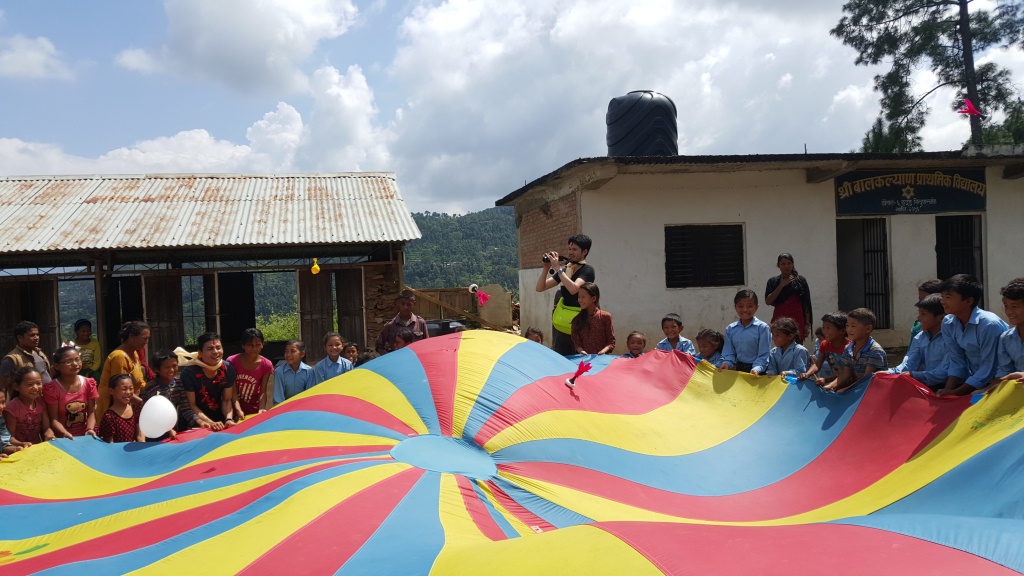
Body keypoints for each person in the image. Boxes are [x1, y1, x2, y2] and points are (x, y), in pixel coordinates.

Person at [937, 274, 1009, 397]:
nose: (942, 302)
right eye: (942, 296)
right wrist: (947, 391)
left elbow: (989, 366)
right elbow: (956, 359)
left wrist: (956, 393)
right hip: (974, 381)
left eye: (948, 297)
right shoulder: (948, 322)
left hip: (999, 382)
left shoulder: (989, 324)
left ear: (968, 301)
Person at [536, 234, 596, 356]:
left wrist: (558, 268)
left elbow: (574, 289)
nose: (570, 252)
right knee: (561, 357)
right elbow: (540, 287)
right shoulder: (566, 269)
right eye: (569, 249)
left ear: (585, 251)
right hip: (563, 323)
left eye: (574, 249)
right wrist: (546, 268)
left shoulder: (588, 270)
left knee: (580, 359)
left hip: (580, 323)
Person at [889, 294, 949, 390]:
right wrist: (889, 373)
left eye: (924, 314)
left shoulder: (950, 338)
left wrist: (914, 375)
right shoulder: (920, 337)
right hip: (925, 385)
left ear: (941, 317)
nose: (918, 318)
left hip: (946, 387)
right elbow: (909, 363)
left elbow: (945, 372)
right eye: (919, 313)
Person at [180, 332, 237, 430]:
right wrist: (211, 423)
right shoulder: (189, 373)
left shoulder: (227, 368)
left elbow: (226, 400)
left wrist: (228, 419)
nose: (215, 352)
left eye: (218, 348)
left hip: (220, 422)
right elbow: (191, 405)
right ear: (200, 353)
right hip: (196, 423)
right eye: (210, 349)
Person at [825, 308, 886, 393]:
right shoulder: (848, 348)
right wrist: (830, 386)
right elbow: (845, 373)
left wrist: (847, 390)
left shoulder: (875, 351)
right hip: (857, 391)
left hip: (874, 393)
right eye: (847, 325)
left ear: (868, 329)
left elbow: (867, 380)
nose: (849, 330)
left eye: (853, 326)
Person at [97, 321, 150, 419]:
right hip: (113, 407)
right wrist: (142, 403)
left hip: (128, 401)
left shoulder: (134, 354)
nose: (146, 342)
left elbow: (140, 382)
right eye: (144, 338)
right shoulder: (119, 357)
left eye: (148, 339)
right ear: (131, 337)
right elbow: (121, 389)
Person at [44, 346, 99, 439]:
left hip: (86, 436)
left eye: (77, 359)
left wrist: (89, 429)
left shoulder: (89, 384)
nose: (75, 364)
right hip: (63, 438)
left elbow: (91, 413)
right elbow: (54, 420)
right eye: (69, 361)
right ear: (57, 366)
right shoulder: (52, 389)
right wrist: (65, 433)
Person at [719, 290, 771, 375]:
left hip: (757, 372)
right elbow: (729, 352)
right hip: (738, 370)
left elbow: (764, 355)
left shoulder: (762, 328)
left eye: (749, 306)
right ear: (735, 307)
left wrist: (757, 368)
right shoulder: (730, 329)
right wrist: (727, 363)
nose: (745, 310)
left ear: (756, 307)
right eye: (740, 306)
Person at [764, 254, 813, 342]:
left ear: (793, 264)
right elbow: (768, 301)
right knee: (781, 344)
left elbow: (806, 303)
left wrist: (807, 324)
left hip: (798, 320)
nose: (786, 266)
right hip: (779, 320)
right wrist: (781, 285)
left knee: (797, 347)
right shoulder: (773, 281)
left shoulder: (800, 281)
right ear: (778, 265)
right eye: (783, 264)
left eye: (789, 263)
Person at [141, 349, 189, 439]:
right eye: (167, 367)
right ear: (157, 369)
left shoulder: (179, 384)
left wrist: (200, 422)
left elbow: (185, 409)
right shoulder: (150, 389)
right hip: (155, 434)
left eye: (174, 366)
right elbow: (150, 415)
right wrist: (169, 429)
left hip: (175, 432)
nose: (171, 370)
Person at [227, 328, 274, 418]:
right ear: (243, 345)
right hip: (232, 410)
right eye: (250, 345)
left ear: (262, 345)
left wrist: (262, 408)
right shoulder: (232, 361)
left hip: (254, 410)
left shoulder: (266, 364)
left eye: (258, 345)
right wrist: (238, 410)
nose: (254, 348)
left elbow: (263, 391)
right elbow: (232, 390)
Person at [3, 367, 54, 448]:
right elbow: (9, 438)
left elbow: (46, 427)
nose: (36, 387)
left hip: (37, 447)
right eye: (30, 384)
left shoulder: (41, 402)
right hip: (19, 450)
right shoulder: (12, 408)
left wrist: (49, 433)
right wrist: (22, 444)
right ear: (17, 386)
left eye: (38, 383)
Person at [0, 320, 52, 395]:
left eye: (37, 334)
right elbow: (4, 387)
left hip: (44, 400)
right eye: (32, 335)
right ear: (20, 338)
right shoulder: (11, 359)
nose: (36, 338)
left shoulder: (40, 354)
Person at [800, 312, 849, 386]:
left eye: (828, 328)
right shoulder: (824, 344)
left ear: (842, 331)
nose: (824, 331)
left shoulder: (849, 347)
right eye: (823, 327)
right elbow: (817, 364)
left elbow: (846, 373)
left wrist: (826, 380)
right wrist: (807, 374)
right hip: (835, 383)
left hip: (849, 384)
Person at [993, 278, 1024, 386]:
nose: (1009, 312)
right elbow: (1004, 371)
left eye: (1014, 306)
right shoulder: (1006, 338)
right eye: (1006, 306)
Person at [570, 283, 615, 355]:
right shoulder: (576, 320)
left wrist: (603, 351)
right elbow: (577, 343)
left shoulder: (605, 317)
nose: (580, 300)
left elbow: (611, 341)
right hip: (584, 361)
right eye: (579, 297)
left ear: (594, 298)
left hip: (602, 360)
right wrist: (581, 351)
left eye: (583, 297)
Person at [98, 373, 143, 443]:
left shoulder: (136, 409)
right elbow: (109, 444)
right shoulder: (109, 417)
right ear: (111, 391)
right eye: (124, 389)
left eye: (131, 388)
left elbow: (140, 436)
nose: (128, 392)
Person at [273, 340, 315, 405]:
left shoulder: (309, 371)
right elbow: (278, 398)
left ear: (302, 354)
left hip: (304, 407)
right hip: (285, 409)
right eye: (286, 351)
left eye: (292, 351)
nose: (288, 355)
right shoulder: (279, 372)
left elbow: (309, 395)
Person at [0, 389, 19, 456]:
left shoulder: (1, 420)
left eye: (3, 402)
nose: (2, 407)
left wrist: (16, 448)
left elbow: (4, 441)